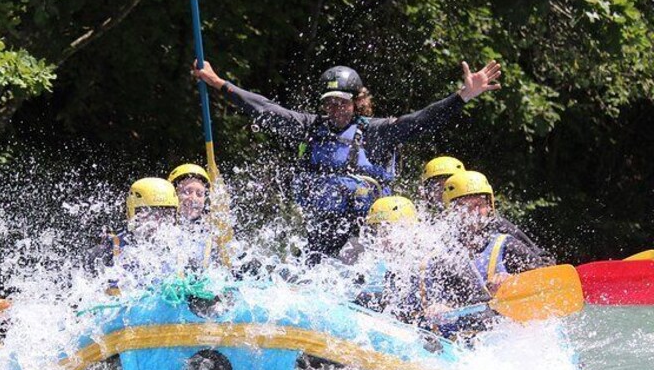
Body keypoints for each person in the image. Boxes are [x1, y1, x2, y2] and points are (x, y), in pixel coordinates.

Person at [193, 59, 502, 263]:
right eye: (329, 103)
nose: (335, 108)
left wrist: (462, 96)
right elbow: (264, 109)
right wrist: (220, 83)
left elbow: (421, 120)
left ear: (357, 102)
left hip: (365, 233)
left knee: (349, 263)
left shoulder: (377, 133)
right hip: (320, 228)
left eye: (342, 102)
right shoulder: (309, 127)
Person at [420, 156, 554, 264]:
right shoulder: (437, 230)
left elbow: (544, 262)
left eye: (449, 185)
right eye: (436, 188)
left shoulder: (497, 227)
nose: (441, 194)